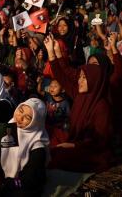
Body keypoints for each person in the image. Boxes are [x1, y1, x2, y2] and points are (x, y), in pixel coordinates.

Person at [45, 35, 113, 172]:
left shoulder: (102, 106)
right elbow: (62, 77)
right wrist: (51, 53)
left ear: (94, 77)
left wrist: (72, 146)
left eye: (84, 77)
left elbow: (98, 141)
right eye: (80, 77)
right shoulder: (80, 95)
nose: (80, 81)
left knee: (58, 156)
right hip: (74, 141)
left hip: (90, 151)